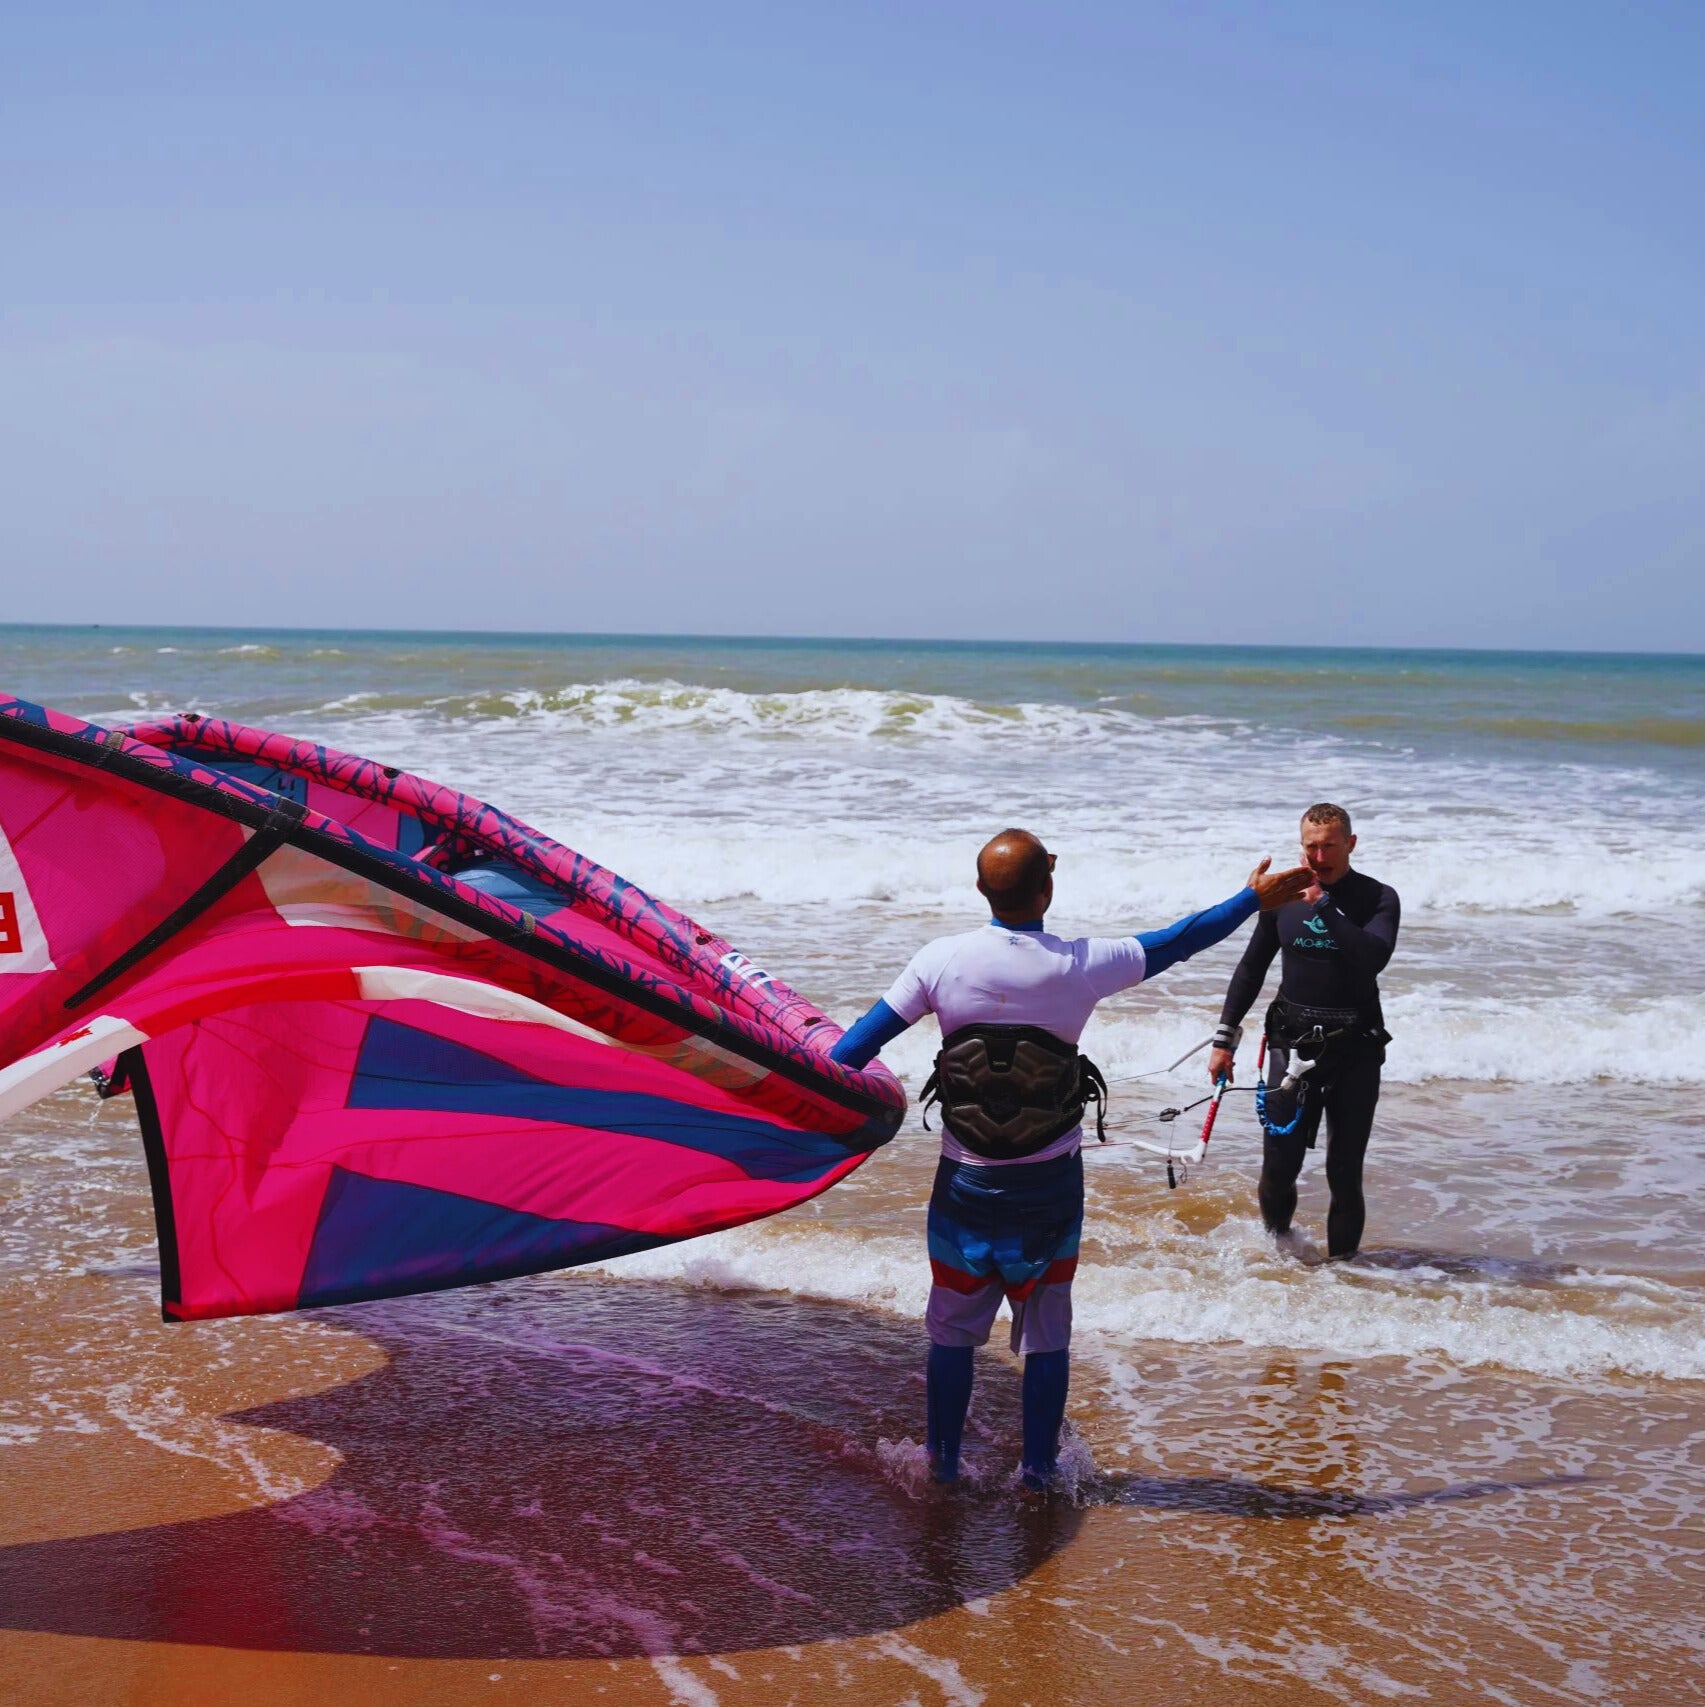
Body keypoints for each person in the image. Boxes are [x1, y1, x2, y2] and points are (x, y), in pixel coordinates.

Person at [831, 829, 1312, 1490]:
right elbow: (1178, 941)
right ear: (1047, 889)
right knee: (1046, 1328)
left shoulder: (937, 962)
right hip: (1050, 1184)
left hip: (963, 1180)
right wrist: (1249, 899)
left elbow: (847, 1054)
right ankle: (1037, 1469)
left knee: (951, 1325)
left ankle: (940, 1463)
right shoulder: (1079, 965)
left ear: (980, 890)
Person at [1207, 803, 1400, 1261]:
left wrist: (1323, 904)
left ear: (1350, 844)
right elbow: (1252, 966)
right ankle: (1281, 1257)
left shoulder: (1378, 898)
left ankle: (1345, 1277)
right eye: (1311, 846)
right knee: (1278, 1167)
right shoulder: (1281, 898)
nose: (1318, 856)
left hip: (1355, 1049)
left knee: (1343, 1171)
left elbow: (1371, 957)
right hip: (1290, 1042)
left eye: (1328, 845)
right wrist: (1224, 1037)